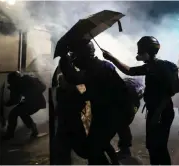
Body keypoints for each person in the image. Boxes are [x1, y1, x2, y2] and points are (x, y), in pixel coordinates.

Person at [55, 37, 135, 165]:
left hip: (111, 113)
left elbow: (74, 78)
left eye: (75, 55)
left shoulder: (95, 69)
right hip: (112, 112)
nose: (74, 59)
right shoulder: (102, 65)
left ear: (83, 55)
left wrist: (64, 60)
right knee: (98, 144)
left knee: (94, 148)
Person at [102, 36, 179, 165]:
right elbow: (130, 71)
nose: (138, 54)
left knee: (157, 146)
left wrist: (157, 114)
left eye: (140, 52)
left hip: (160, 112)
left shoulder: (156, 67)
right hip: (159, 111)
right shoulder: (155, 66)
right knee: (155, 145)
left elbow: (168, 94)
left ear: (146, 52)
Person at [2, 71, 46, 140]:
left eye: (10, 81)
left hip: (35, 102)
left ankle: (10, 134)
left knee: (14, 113)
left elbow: (15, 100)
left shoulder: (24, 81)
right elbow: (16, 100)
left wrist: (5, 103)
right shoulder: (27, 79)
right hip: (36, 102)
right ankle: (33, 128)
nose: (10, 82)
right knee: (22, 113)